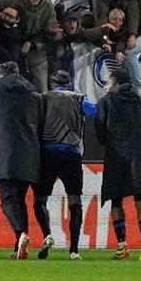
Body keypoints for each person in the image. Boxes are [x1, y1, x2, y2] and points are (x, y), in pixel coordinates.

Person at [0, 60, 42, 259]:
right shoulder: (33, 89)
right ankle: (19, 245)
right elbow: (40, 122)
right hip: (31, 153)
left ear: (1, 74)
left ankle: (21, 234)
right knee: (20, 199)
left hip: (7, 151)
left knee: (7, 199)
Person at [94, 68, 141, 259]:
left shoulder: (107, 101)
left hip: (118, 154)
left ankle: (122, 245)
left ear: (114, 82)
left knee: (116, 199)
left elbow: (100, 129)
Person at [32, 69, 92, 259]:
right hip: (71, 154)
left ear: (52, 82)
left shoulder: (43, 98)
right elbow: (96, 112)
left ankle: (47, 235)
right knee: (75, 201)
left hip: (46, 154)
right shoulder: (79, 98)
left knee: (40, 200)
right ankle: (74, 250)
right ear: (68, 83)